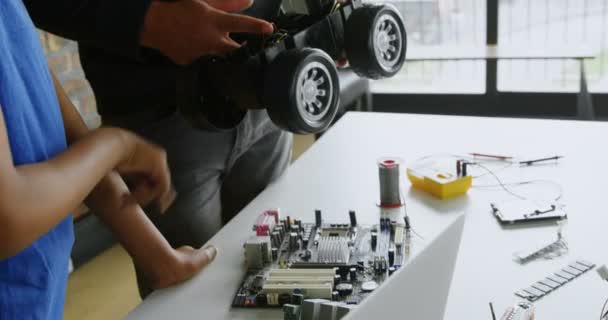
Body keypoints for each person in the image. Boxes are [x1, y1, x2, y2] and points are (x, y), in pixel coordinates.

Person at [24, 0, 293, 297]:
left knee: (278, 274)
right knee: (191, 300)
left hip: (269, 75)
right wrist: (146, 20)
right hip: (162, 113)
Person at [0, 0, 219, 318]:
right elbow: (7, 219)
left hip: (37, 293)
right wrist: (117, 145)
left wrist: (158, 256)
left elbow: (36, 82)